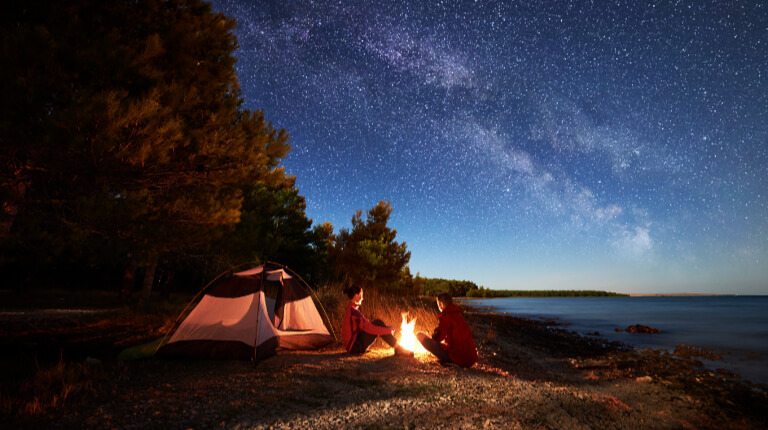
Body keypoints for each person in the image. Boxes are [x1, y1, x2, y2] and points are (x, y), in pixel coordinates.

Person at [341, 285, 413, 357]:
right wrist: (388, 330)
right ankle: (399, 348)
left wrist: (386, 329)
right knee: (378, 323)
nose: (362, 298)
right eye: (361, 295)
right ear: (356, 296)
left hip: (353, 345)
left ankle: (398, 348)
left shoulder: (351, 309)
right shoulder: (353, 312)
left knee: (378, 323)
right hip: (354, 347)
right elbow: (370, 328)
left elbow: (366, 325)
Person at [416, 292, 478, 367]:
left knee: (419, 335)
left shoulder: (446, 316)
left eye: (438, 305)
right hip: (470, 360)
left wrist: (433, 336)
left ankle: (451, 362)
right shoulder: (458, 314)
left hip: (458, 359)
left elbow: (438, 338)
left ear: (441, 304)